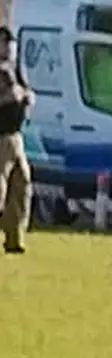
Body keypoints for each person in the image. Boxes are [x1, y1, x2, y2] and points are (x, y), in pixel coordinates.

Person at [0, 26, 33, 254]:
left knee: (21, 185)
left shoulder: (14, 68)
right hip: (0, 137)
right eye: (5, 43)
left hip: (16, 135)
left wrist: (27, 96)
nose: (9, 47)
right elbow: (9, 95)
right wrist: (10, 96)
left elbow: (24, 91)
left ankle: (14, 237)